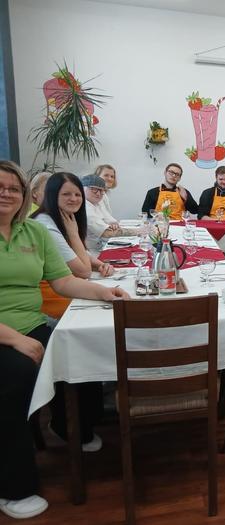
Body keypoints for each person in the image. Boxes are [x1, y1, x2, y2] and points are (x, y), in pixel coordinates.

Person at [0, 160, 129, 520]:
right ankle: (14, 487)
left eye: (13, 188)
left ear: (25, 195)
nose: (6, 194)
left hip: (32, 323)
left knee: (80, 351)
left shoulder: (32, 232)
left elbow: (64, 281)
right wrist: (16, 340)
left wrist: (105, 293)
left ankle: (72, 428)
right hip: (6, 334)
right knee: (16, 379)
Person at [31, 172, 115, 318]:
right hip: (51, 299)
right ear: (53, 195)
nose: (74, 199)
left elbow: (83, 257)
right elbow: (83, 272)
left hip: (67, 290)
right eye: (66, 194)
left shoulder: (63, 217)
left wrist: (101, 264)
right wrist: (74, 234)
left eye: (77, 194)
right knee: (107, 315)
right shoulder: (45, 224)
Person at [82, 175, 136, 253]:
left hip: (102, 245)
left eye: (101, 190)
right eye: (94, 189)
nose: (98, 193)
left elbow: (111, 222)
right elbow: (106, 233)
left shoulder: (97, 202)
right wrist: (138, 231)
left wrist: (113, 225)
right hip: (90, 251)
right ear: (82, 189)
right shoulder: (85, 207)